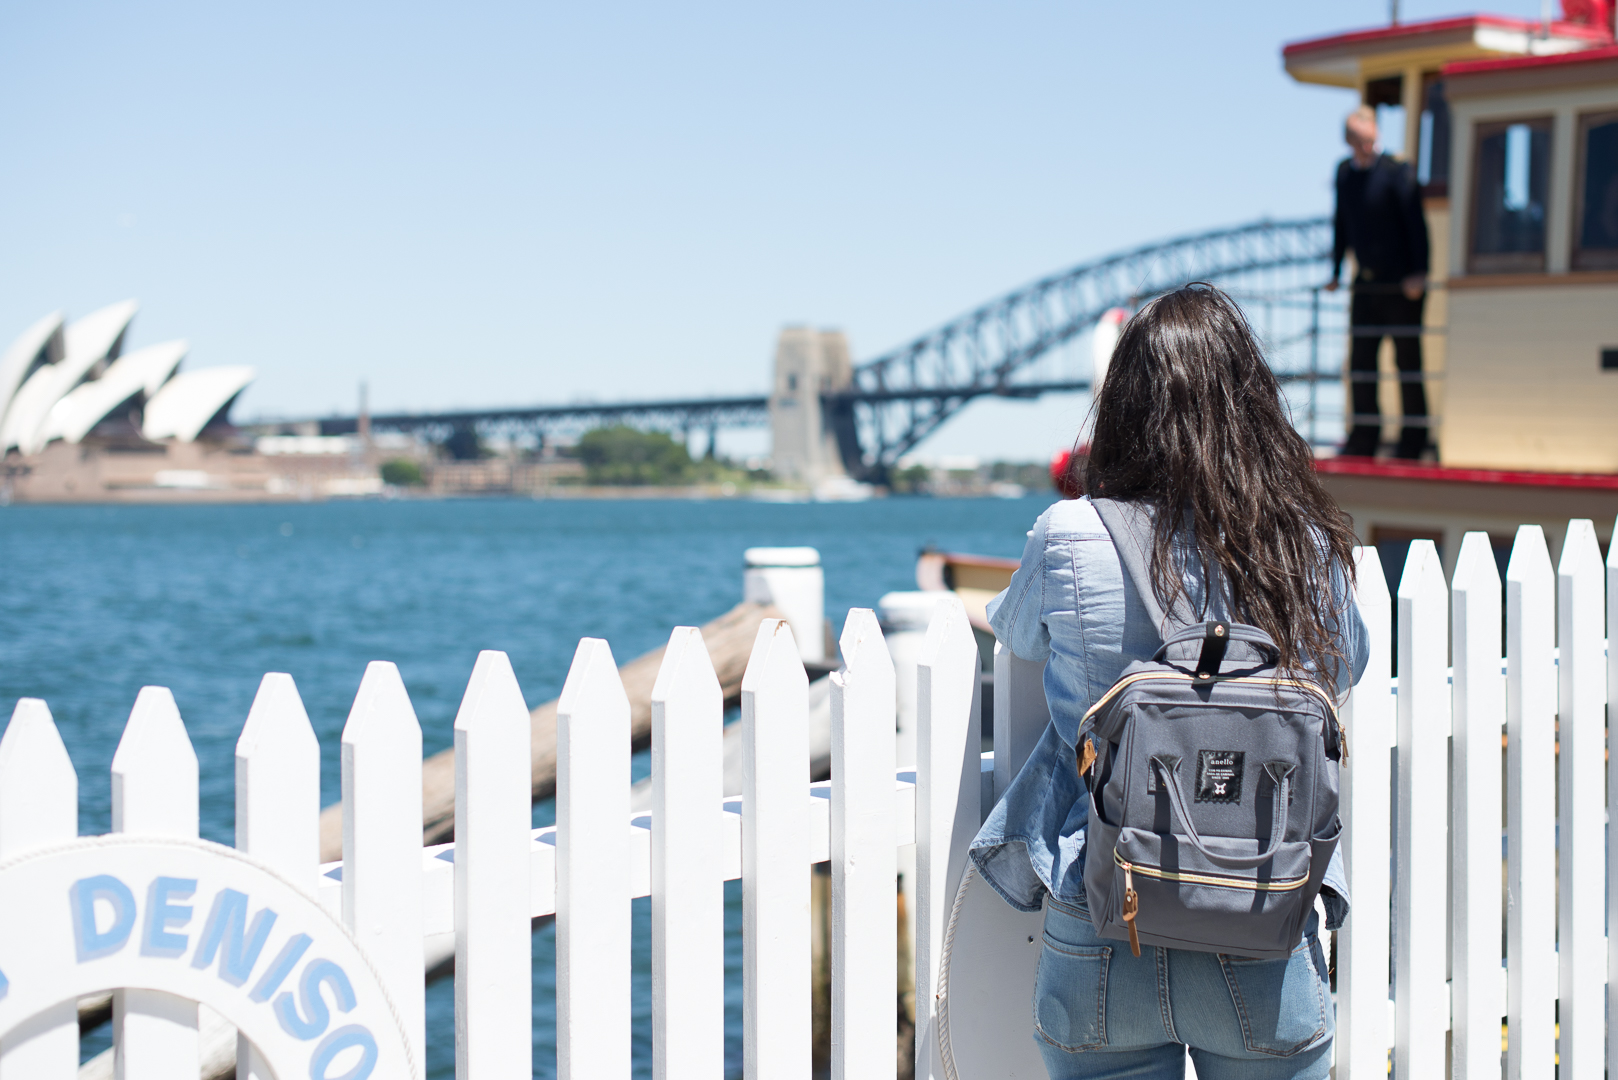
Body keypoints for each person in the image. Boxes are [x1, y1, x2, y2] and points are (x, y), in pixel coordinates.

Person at [970, 284, 1369, 1080]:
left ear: (1123, 406)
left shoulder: (1070, 532)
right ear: (1252, 406)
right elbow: (1344, 667)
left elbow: (1013, 632)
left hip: (1103, 918)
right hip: (1264, 912)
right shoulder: (1304, 548)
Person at [1328, 105, 1430, 459]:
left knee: (1406, 360)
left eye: (1370, 141)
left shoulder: (1397, 172)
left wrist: (1420, 272)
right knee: (1361, 362)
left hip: (1401, 284)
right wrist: (1336, 271)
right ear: (1349, 143)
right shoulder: (1344, 174)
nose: (1366, 148)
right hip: (1365, 283)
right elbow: (1341, 223)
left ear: (1377, 137)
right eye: (1359, 142)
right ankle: (1364, 437)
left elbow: (1416, 224)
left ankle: (1414, 438)